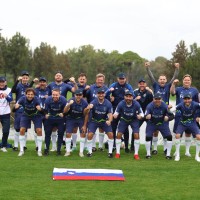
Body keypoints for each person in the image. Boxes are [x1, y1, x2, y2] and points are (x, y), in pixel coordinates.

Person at [145, 62, 179, 154]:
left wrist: (177, 68)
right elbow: (151, 76)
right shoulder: (155, 85)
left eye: (164, 79)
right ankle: (155, 149)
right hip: (155, 110)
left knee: (165, 131)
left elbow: (174, 77)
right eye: (161, 79)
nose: (162, 80)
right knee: (155, 131)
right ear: (158, 80)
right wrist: (147, 68)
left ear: (166, 80)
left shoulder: (168, 86)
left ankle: (165, 149)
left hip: (165, 110)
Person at [170, 74, 199, 157]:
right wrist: (173, 84)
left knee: (188, 133)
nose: (187, 81)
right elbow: (172, 92)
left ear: (191, 81)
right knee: (177, 133)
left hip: (190, 116)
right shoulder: (178, 89)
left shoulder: (194, 90)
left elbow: (197, 104)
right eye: (185, 80)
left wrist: (198, 116)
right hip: (179, 114)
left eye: (188, 80)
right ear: (183, 81)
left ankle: (187, 151)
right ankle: (176, 151)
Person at [106, 72, 134, 152]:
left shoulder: (128, 86)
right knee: (113, 127)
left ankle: (126, 146)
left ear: (125, 79)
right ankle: (114, 144)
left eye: (123, 79)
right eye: (120, 79)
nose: (121, 80)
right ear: (118, 79)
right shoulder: (114, 85)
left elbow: (132, 95)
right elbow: (105, 95)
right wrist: (110, 94)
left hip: (124, 109)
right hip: (115, 108)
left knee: (125, 128)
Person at [113, 90, 143, 159]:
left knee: (136, 134)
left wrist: (140, 116)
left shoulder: (136, 104)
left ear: (132, 97)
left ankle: (136, 154)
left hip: (134, 120)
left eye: (130, 97)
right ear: (124, 97)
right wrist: (115, 115)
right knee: (119, 134)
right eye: (127, 96)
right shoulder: (121, 103)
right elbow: (116, 112)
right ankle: (117, 153)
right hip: (124, 119)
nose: (128, 98)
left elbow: (142, 113)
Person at [11, 70, 37, 151]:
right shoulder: (18, 85)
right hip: (19, 109)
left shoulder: (29, 85)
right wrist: (17, 81)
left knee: (25, 128)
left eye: (26, 78)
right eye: (24, 77)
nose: (25, 79)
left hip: (27, 110)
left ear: (28, 78)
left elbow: (30, 89)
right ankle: (15, 145)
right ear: (21, 77)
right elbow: (13, 90)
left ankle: (24, 145)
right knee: (17, 128)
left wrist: (33, 82)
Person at [85, 87, 114, 158]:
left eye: (102, 93)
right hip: (94, 121)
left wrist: (109, 121)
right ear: (97, 94)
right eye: (99, 93)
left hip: (104, 121)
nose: (101, 95)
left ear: (104, 94)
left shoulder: (108, 103)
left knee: (110, 134)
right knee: (90, 135)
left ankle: (110, 152)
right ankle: (89, 151)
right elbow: (85, 112)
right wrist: (88, 108)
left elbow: (110, 114)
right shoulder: (93, 102)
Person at [171, 94, 200, 162]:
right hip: (182, 123)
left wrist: (198, 116)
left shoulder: (195, 104)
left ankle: (197, 156)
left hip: (192, 123)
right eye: (185, 99)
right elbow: (172, 109)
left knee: (198, 137)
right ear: (183, 99)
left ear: (191, 99)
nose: (187, 100)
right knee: (177, 135)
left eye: (188, 99)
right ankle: (177, 155)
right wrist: (169, 109)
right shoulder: (181, 105)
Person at [14, 88, 43, 156]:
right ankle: (21, 150)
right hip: (26, 115)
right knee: (22, 130)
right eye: (28, 94)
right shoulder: (22, 99)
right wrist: (16, 107)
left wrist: (40, 109)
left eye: (31, 94)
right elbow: (13, 110)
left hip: (36, 115)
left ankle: (39, 150)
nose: (30, 96)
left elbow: (43, 111)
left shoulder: (37, 99)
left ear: (34, 95)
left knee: (39, 130)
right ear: (25, 94)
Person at [144, 93, 173, 159]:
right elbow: (144, 116)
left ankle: (168, 154)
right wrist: (147, 116)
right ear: (153, 99)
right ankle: (148, 154)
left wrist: (168, 118)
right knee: (148, 137)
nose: (157, 100)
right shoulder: (149, 106)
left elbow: (172, 115)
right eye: (156, 99)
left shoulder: (165, 106)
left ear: (161, 99)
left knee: (169, 137)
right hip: (152, 123)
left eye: (159, 99)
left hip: (162, 123)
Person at [86, 73, 109, 152]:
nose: (100, 81)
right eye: (99, 80)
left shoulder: (106, 88)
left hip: (103, 111)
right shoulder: (91, 87)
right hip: (92, 111)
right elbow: (86, 96)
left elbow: (108, 100)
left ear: (104, 81)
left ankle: (100, 145)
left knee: (101, 129)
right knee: (92, 129)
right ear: (96, 80)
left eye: (101, 80)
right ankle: (93, 146)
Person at [63, 89, 88, 157]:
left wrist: (85, 125)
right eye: (77, 95)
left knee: (83, 133)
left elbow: (86, 114)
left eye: (80, 95)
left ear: (82, 95)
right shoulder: (70, 100)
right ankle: (68, 151)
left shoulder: (85, 102)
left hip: (80, 119)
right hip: (71, 118)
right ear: (74, 95)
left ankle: (81, 152)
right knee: (68, 134)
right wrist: (69, 104)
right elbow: (65, 111)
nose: (78, 96)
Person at [131, 79, 153, 151]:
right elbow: (130, 102)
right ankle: (132, 147)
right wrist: (135, 99)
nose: (142, 85)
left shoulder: (149, 93)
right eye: (140, 84)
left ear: (145, 84)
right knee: (135, 130)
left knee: (150, 130)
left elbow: (153, 103)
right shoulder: (135, 92)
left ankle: (149, 146)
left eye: (143, 83)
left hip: (147, 114)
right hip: (139, 115)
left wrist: (150, 113)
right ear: (138, 85)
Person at [43, 88, 67, 156]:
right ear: (51, 94)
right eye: (53, 95)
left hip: (60, 119)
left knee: (60, 134)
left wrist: (63, 114)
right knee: (47, 134)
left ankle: (59, 150)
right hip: (50, 118)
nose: (55, 96)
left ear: (59, 95)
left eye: (56, 95)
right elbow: (45, 109)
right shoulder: (48, 99)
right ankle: (46, 149)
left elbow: (67, 110)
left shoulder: (63, 100)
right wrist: (46, 114)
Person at [34, 77, 49, 151]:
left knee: (47, 130)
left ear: (46, 83)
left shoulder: (49, 90)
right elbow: (28, 95)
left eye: (44, 82)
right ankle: (37, 146)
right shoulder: (35, 90)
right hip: (37, 113)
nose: (42, 83)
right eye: (41, 82)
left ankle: (46, 146)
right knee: (37, 130)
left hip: (46, 113)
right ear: (39, 83)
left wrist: (48, 97)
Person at [0, 77, 12, 152]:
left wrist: (7, 96)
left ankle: (4, 146)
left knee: (6, 131)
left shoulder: (9, 90)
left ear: (5, 82)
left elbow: (11, 99)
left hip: (6, 113)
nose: (1, 83)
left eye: (3, 82)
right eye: (0, 82)